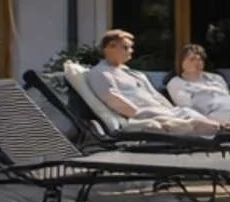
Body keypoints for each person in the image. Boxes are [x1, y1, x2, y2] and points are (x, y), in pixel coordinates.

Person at [90, 30, 221, 138]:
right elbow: (113, 99)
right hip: (144, 114)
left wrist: (172, 110)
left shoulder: (133, 73)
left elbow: (155, 95)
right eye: (125, 47)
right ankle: (191, 127)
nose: (130, 51)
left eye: (130, 47)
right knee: (204, 126)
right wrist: (140, 115)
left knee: (202, 120)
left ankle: (206, 127)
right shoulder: (100, 72)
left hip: (165, 111)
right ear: (109, 47)